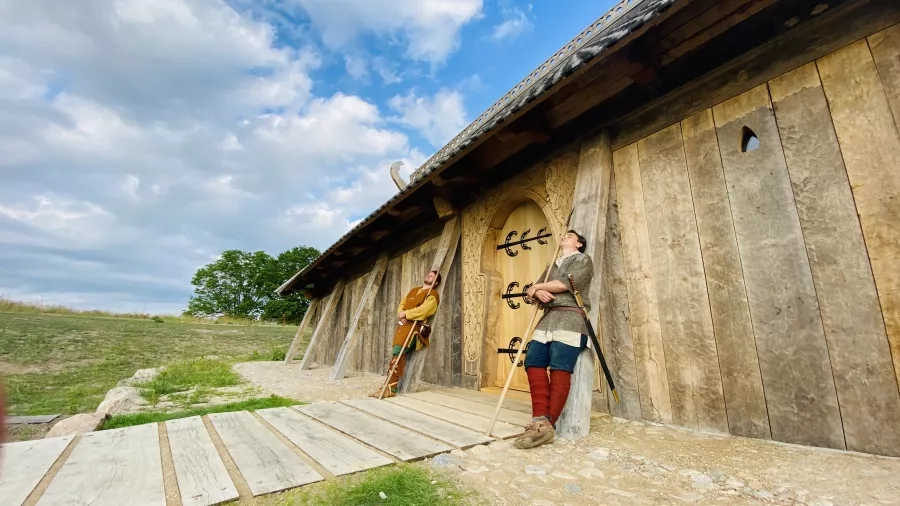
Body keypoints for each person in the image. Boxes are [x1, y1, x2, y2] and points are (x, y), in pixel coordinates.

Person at [515, 230, 593, 449]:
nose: (565, 237)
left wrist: (538, 287)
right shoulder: (552, 265)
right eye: (565, 235)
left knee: (560, 366)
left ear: (579, 244)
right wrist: (536, 292)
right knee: (533, 361)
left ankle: (547, 424)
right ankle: (539, 419)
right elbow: (530, 290)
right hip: (548, 319)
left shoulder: (582, 259)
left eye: (570, 236)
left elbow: (564, 285)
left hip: (571, 317)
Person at [370, 269, 441, 398]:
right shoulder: (414, 291)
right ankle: (386, 386)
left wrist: (407, 314)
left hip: (414, 329)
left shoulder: (433, 294)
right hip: (403, 327)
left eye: (432, 276)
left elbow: (425, 311)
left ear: (436, 283)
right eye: (429, 274)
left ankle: (392, 388)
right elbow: (402, 304)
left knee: (399, 353)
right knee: (395, 355)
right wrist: (401, 314)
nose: (429, 275)